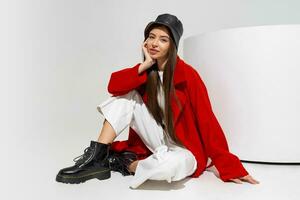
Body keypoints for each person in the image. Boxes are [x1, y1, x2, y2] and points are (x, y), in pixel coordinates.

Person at [56, 13, 259, 188]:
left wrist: (230, 166)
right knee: (126, 95)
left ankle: (124, 163)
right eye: (151, 37)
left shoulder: (188, 76)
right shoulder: (145, 73)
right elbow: (114, 86)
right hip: (155, 138)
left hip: (184, 149)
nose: (154, 43)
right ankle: (97, 158)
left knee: (168, 168)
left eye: (163, 39)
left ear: (173, 45)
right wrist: (145, 65)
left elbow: (208, 122)